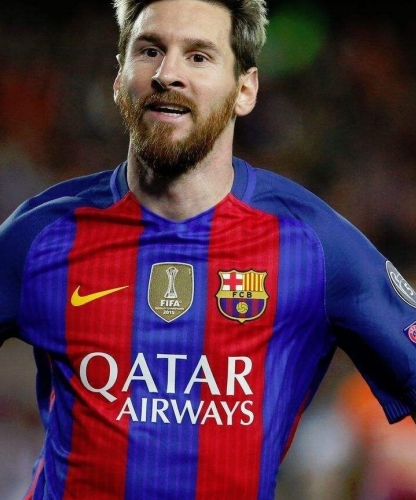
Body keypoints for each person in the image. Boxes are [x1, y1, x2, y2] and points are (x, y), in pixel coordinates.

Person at [1, 0, 416, 499]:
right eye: (150, 50)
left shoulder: (317, 247)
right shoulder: (40, 235)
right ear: (119, 78)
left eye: (198, 56)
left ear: (245, 90)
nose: (167, 73)